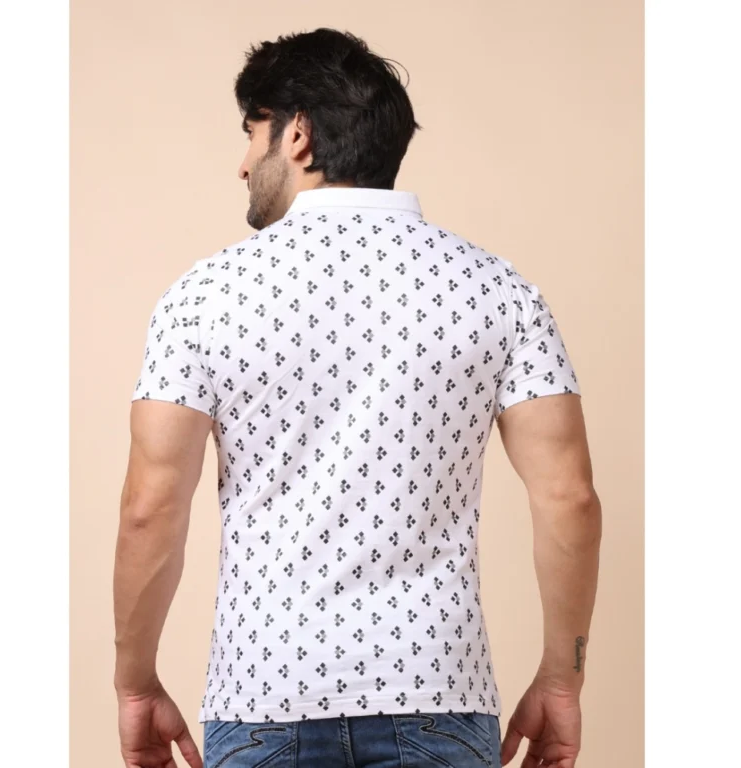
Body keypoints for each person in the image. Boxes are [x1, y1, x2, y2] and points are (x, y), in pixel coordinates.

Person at [113, 27, 601, 768]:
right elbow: (570, 498)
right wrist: (563, 681)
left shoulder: (203, 297)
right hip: (438, 692)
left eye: (251, 133)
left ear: (297, 135)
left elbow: (149, 509)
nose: (241, 163)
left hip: (265, 695)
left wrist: (135, 682)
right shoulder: (499, 291)